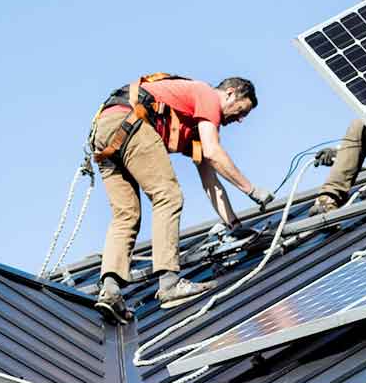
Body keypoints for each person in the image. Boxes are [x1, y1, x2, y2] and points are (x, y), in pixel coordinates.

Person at [90, 76, 274, 323]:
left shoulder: (194, 127)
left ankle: (111, 291)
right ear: (230, 94)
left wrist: (235, 227)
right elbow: (214, 152)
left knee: (126, 215)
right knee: (168, 196)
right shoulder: (206, 95)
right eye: (242, 111)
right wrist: (252, 190)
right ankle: (169, 284)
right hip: (131, 122)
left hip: (104, 130)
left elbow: (212, 183)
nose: (239, 120)